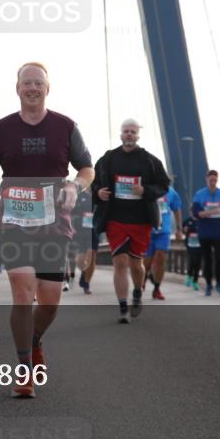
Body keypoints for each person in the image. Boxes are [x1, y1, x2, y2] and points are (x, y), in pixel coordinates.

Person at [0, 62, 94, 398]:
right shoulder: (1, 129)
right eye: (27, 82)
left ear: (47, 88)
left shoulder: (66, 126)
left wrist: (75, 186)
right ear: (17, 88)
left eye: (38, 83)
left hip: (55, 224)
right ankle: (23, 367)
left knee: (51, 301)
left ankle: (35, 339)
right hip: (16, 222)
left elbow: (87, 167)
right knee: (23, 292)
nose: (32, 88)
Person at [93, 119, 170, 323]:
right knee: (120, 262)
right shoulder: (108, 159)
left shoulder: (150, 161)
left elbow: (164, 185)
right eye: (126, 131)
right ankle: (123, 307)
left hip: (141, 220)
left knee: (136, 264)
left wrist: (146, 190)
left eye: (132, 132)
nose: (129, 135)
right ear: (120, 134)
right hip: (115, 219)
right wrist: (98, 192)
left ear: (138, 135)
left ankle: (137, 290)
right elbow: (93, 184)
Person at [191, 170, 220, 297]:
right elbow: (196, 213)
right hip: (205, 232)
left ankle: (219, 284)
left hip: (219, 231)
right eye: (211, 180)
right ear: (206, 179)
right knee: (208, 259)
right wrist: (210, 213)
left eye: (215, 180)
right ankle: (209, 284)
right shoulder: (199, 195)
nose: (213, 182)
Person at [145, 186, 182, 301]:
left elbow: (177, 209)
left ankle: (156, 289)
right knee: (146, 263)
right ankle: (143, 279)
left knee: (161, 258)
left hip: (164, 231)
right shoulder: (146, 188)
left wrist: (179, 229)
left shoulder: (171, 192)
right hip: (147, 230)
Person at [182, 216, 202, 290]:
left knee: (198, 263)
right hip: (190, 243)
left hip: (200, 244)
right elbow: (183, 231)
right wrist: (185, 230)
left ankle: (195, 281)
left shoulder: (202, 220)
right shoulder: (187, 220)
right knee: (193, 260)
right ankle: (189, 276)